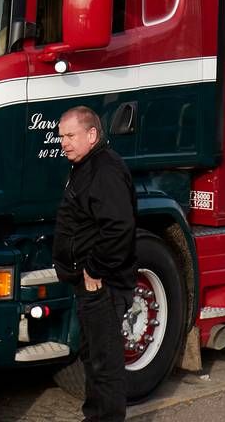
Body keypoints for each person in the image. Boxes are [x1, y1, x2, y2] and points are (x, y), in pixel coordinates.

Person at [54, 105, 138, 422]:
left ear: (92, 134)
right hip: (90, 284)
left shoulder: (104, 169)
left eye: (70, 135)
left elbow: (119, 226)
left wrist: (95, 267)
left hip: (103, 284)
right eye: (61, 136)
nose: (64, 143)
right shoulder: (87, 166)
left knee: (105, 363)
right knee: (92, 358)